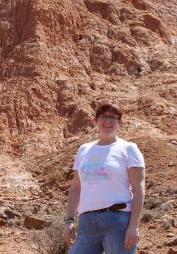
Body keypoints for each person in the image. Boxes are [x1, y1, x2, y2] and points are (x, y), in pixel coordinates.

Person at [63, 101, 145, 254]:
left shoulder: (129, 149)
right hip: (87, 222)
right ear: (95, 120)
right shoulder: (84, 150)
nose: (108, 122)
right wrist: (69, 221)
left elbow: (138, 189)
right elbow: (75, 188)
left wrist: (133, 227)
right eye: (104, 117)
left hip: (118, 221)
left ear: (120, 122)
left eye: (113, 117)